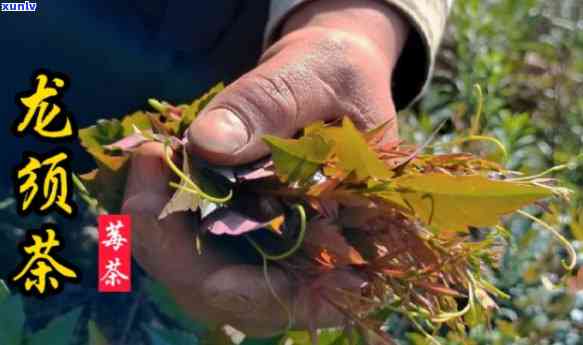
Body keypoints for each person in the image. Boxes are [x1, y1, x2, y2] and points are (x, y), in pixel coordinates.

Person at [1, 0, 450, 337]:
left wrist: (354, 27)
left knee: (129, 203)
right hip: (44, 34)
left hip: (235, 54)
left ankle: (112, 295)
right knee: (79, 170)